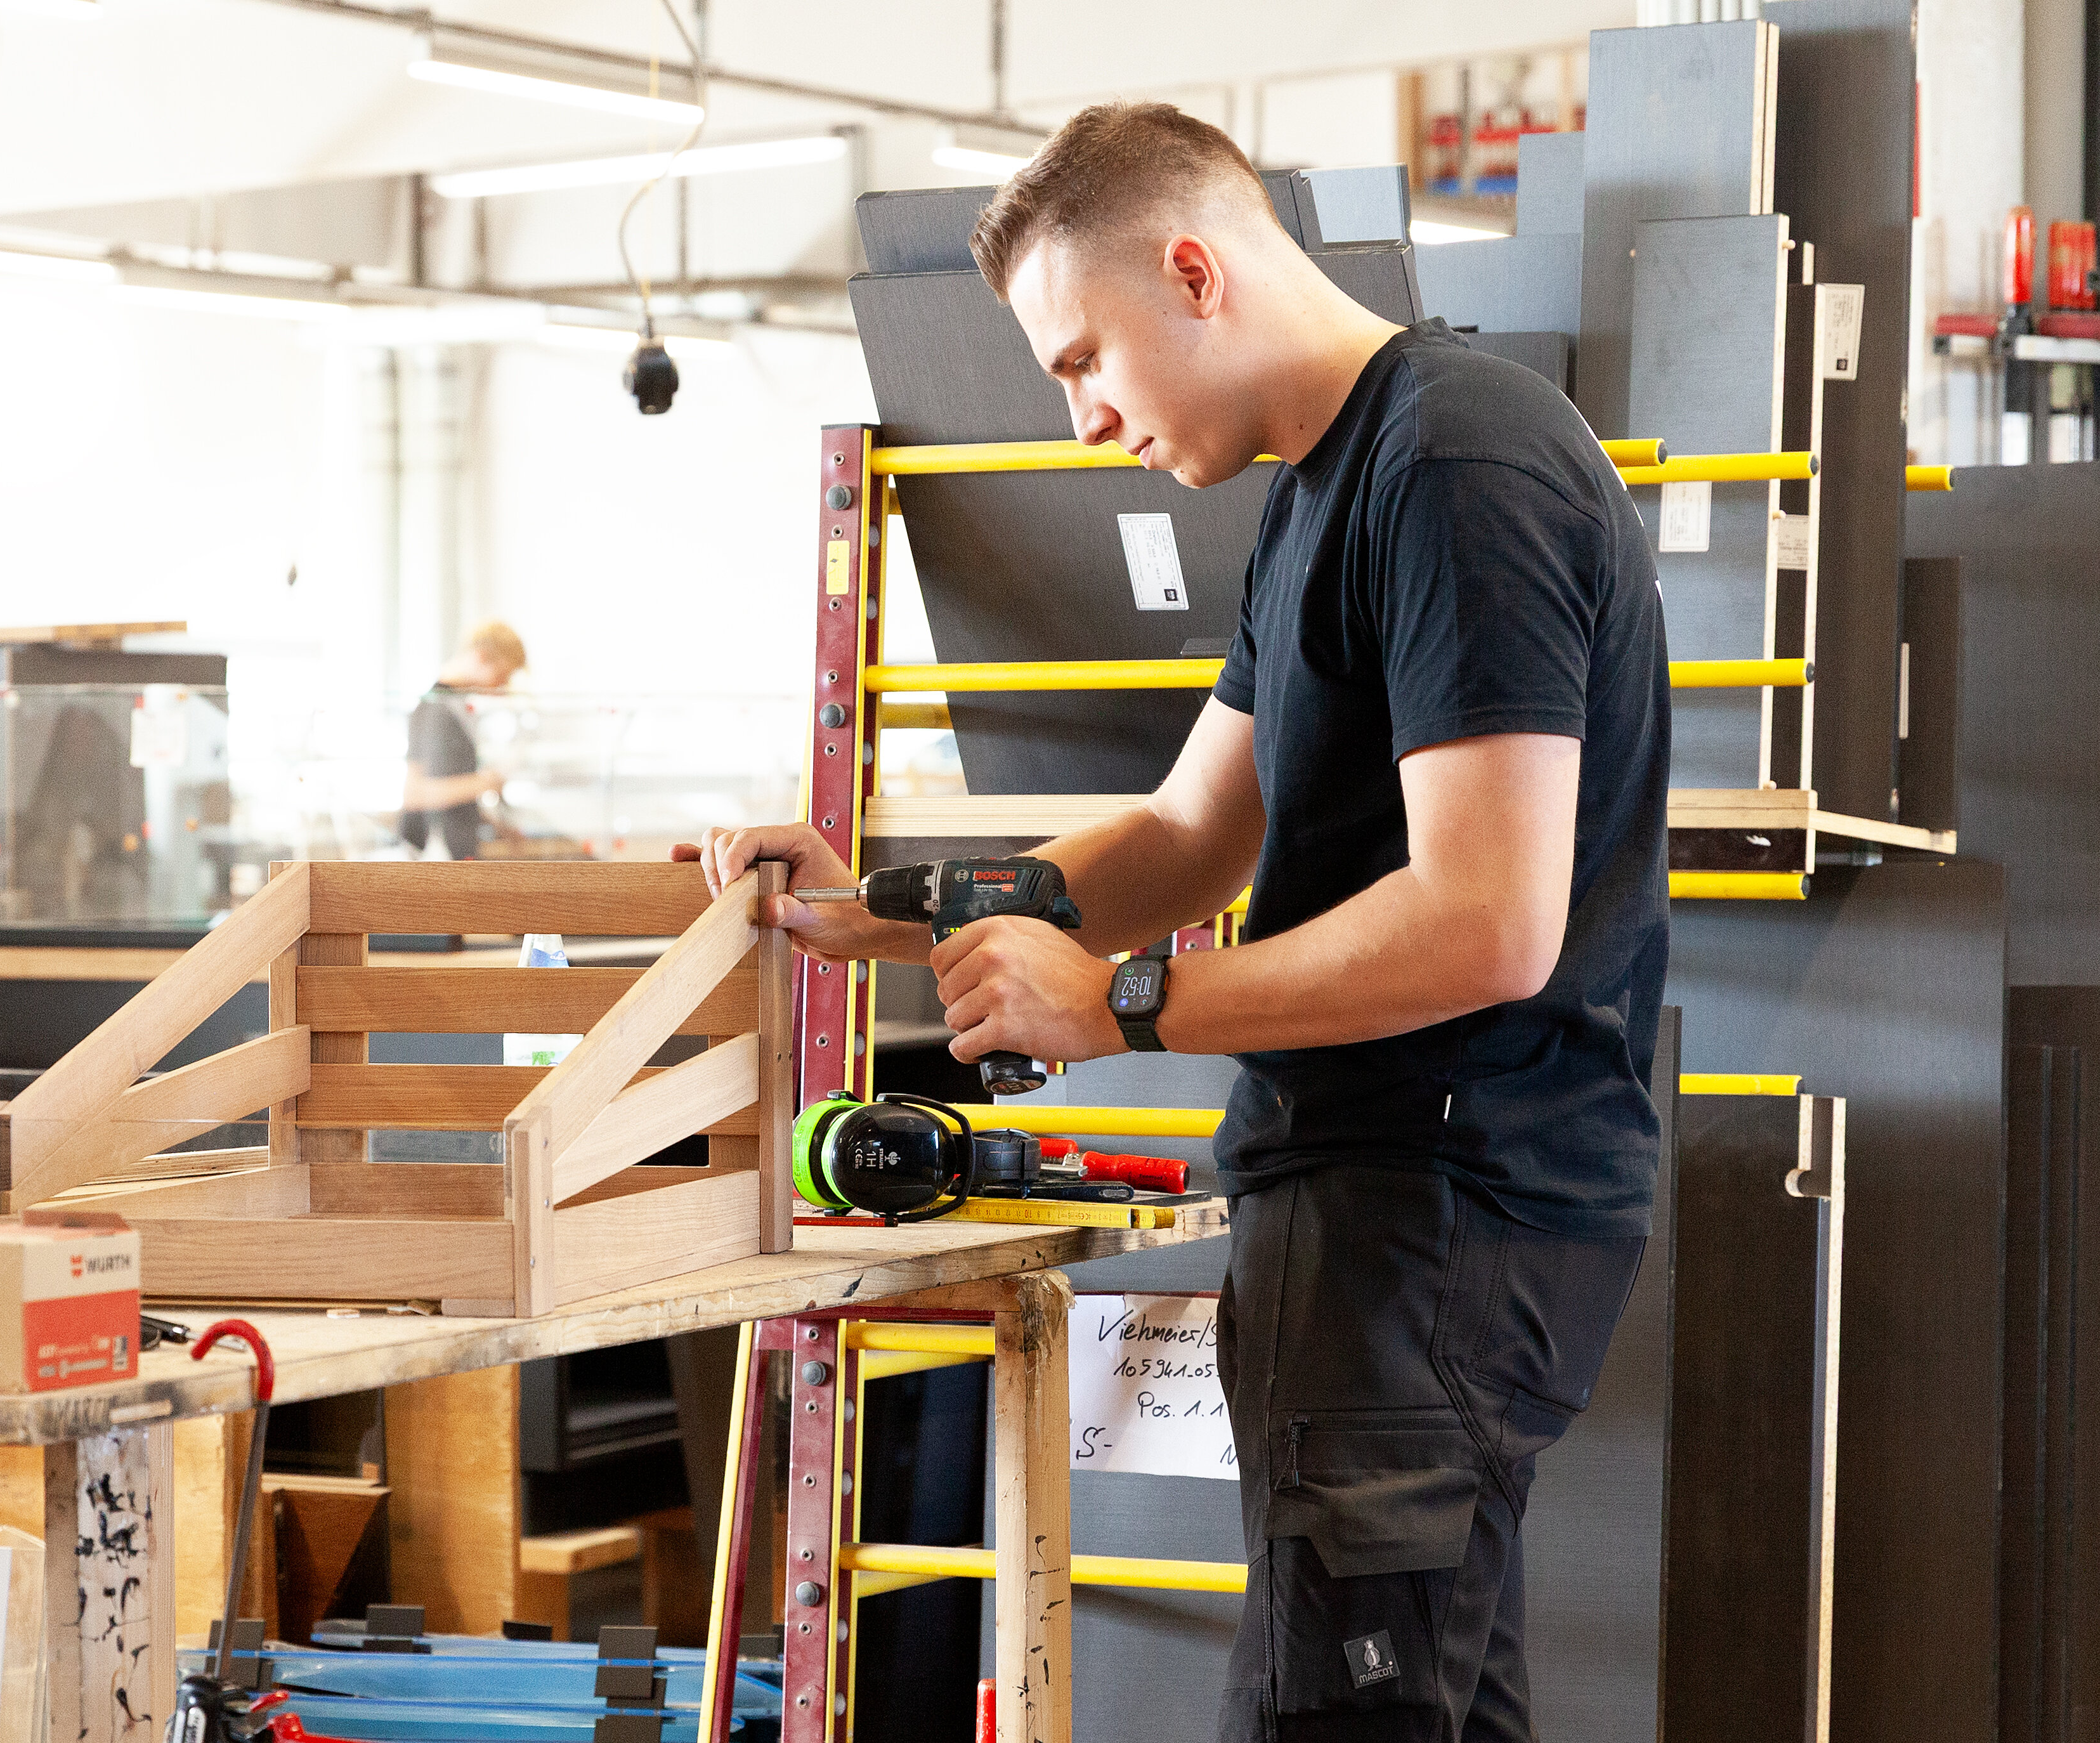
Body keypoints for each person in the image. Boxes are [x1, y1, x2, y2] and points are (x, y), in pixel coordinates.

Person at [684, 103, 1668, 1743]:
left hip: (1438, 1210)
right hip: (1382, 1213)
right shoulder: (1320, 496)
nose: (1080, 421)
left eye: (1082, 361)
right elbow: (1188, 829)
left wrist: (1121, 1005)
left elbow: (1489, 922)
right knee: (1420, 1704)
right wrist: (879, 909)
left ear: (1192, 270)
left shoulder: (1450, 465)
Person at [398, 620, 526, 860]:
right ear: (482, 656)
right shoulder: (435, 709)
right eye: (501, 675)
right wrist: (486, 782)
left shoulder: (453, 706)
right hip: (435, 857)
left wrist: (497, 825)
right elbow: (414, 795)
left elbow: (450, 792)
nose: (502, 687)